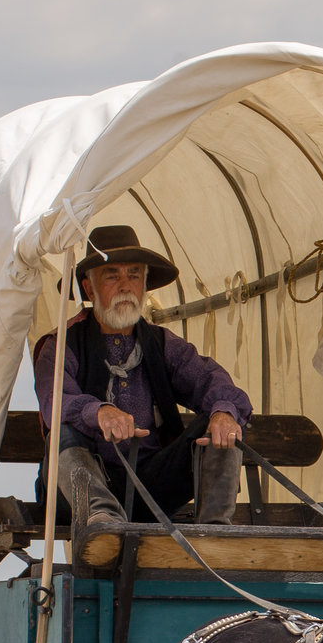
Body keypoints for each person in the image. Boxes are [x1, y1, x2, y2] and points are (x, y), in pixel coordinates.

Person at [32, 224, 253, 534]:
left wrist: (224, 413)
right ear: (90, 288)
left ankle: (214, 533)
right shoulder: (60, 345)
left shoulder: (161, 344)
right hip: (79, 495)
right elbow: (56, 401)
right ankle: (105, 526)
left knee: (219, 418)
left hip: (150, 491)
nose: (126, 286)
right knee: (64, 432)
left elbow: (211, 379)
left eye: (134, 276)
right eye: (112, 276)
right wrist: (98, 412)